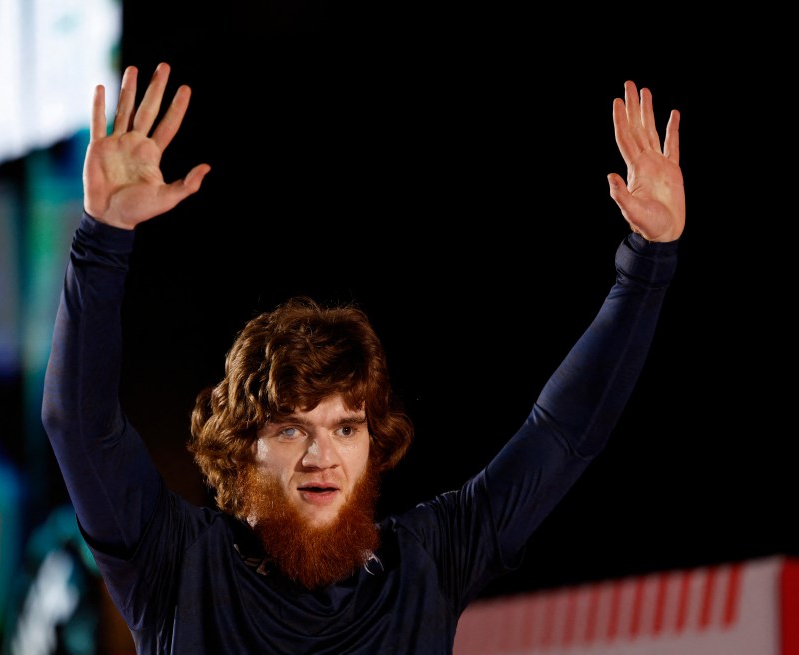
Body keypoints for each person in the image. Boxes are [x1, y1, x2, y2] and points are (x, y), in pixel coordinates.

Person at [41, 62, 684, 654]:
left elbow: (564, 433)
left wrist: (648, 260)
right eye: (292, 428)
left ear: (372, 445)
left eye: (346, 428)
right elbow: (78, 424)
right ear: (243, 449)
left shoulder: (428, 563)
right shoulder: (175, 565)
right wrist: (104, 236)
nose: (323, 457)